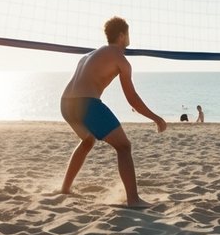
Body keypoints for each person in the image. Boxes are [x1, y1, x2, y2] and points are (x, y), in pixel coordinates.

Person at [59, 16, 167, 204]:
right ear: (122, 35)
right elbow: (132, 98)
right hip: (86, 103)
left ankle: (65, 189)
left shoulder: (89, 55)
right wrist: (156, 118)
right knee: (124, 147)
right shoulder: (120, 59)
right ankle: (133, 200)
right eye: (128, 33)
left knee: (87, 141)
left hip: (66, 104)